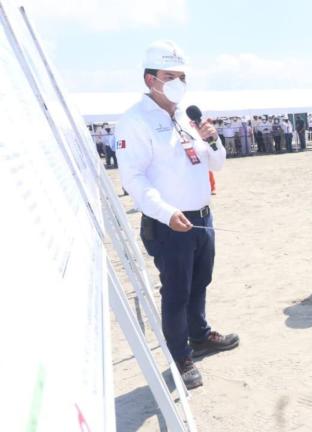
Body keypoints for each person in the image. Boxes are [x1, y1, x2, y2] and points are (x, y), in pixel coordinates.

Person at [115, 40, 239, 390]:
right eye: (170, 75)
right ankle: (179, 355)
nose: (177, 82)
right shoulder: (134, 121)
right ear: (149, 79)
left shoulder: (186, 117)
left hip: (201, 217)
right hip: (169, 223)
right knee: (176, 291)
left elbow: (215, 162)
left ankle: (199, 335)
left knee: (200, 281)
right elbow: (133, 178)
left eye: (182, 76)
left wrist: (212, 139)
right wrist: (166, 212)